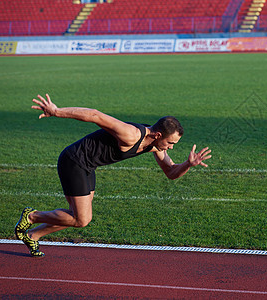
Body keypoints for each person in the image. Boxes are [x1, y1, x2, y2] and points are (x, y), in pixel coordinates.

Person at [15, 94, 212, 257]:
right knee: (82, 219)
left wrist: (188, 164)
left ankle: (33, 236)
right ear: (158, 135)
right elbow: (95, 115)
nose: (170, 148)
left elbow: (171, 172)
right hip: (74, 161)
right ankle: (31, 216)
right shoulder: (131, 134)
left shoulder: (154, 146)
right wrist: (56, 111)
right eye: (171, 143)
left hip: (88, 166)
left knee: (75, 215)